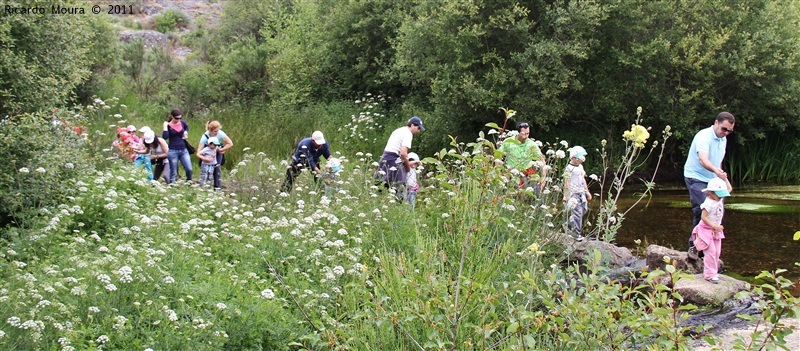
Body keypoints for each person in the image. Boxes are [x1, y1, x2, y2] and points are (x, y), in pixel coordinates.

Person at [685, 112, 735, 252]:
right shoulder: (704, 136)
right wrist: (716, 171)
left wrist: (722, 177)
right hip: (695, 176)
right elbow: (703, 160)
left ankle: (709, 245)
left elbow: (717, 161)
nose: (726, 133)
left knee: (717, 209)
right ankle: (695, 246)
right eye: (724, 129)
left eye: (729, 131)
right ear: (716, 123)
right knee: (702, 208)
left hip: (712, 178)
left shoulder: (723, 139)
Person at [689, 177, 732, 283]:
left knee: (717, 252)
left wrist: (725, 178)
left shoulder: (719, 198)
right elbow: (703, 217)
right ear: (711, 193)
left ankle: (714, 272)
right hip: (706, 229)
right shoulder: (708, 203)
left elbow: (729, 189)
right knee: (710, 252)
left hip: (716, 230)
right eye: (719, 194)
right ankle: (709, 275)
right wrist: (714, 225)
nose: (721, 196)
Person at [375, 116, 425, 198]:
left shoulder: (399, 130)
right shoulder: (408, 134)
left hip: (385, 158)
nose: (419, 131)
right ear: (412, 125)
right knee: (400, 189)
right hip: (394, 159)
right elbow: (403, 153)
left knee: (381, 186)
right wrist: (407, 166)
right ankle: (399, 206)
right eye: (418, 128)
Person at [498, 122, 547, 196]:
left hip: (528, 174)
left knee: (536, 198)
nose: (526, 136)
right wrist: (499, 174)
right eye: (524, 134)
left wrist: (543, 178)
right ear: (518, 132)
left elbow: (542, 160)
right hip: (511, 174)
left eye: (528, 133)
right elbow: (498, 156)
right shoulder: (508, 142)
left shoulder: (532, 144)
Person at [562, 146, 592, 241]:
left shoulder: (580, 167)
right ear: (574, 158)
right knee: (577, 213)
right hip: (573, 194)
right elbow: (566, 182)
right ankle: (576, 233)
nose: (583, 158)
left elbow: (583, 179)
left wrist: (587, 191)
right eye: (580, 157)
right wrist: (565, 195)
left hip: (581, 192)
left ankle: (568, 225)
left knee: (584, 209)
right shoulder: (569, 168)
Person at [197, 121, 234, 189]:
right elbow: (198, 152)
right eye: (215, 131)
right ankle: (204, 185)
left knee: (217, 168)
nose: (217, 132)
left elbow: (230, 143)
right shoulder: (205, 136)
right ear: (210, 130)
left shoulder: (220, 133)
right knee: (206, 170)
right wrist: (204, 159)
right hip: (207, 152)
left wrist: (222, 150)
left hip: (217, 151)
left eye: (218, 130)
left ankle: (217, 187)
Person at [162, 108, 193, 183]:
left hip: (183, 149)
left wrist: (185, 132)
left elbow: (186, 127)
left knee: (189, 169)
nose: (178, 120)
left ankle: (189, 182)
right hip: (173, 150)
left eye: (180, 118)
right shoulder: (168, 126)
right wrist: (165, 127)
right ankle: (172, 186)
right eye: (176, 118)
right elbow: (165, 137)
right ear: (172, 116)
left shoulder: (182, 123)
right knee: (174, 171)